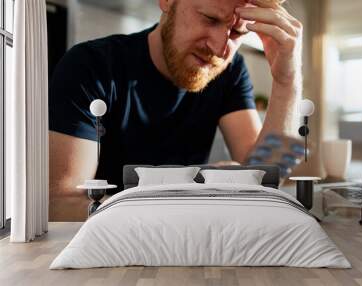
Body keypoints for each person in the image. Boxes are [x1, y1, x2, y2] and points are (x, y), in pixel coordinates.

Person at [49, 0, 303, 221]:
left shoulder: (231, 71)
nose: (218, 49)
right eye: (210, 19)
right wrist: (190, 188)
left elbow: (266, 177)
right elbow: (61, 203)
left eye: (236, 32)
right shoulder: (91, 66)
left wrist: (287, 82)